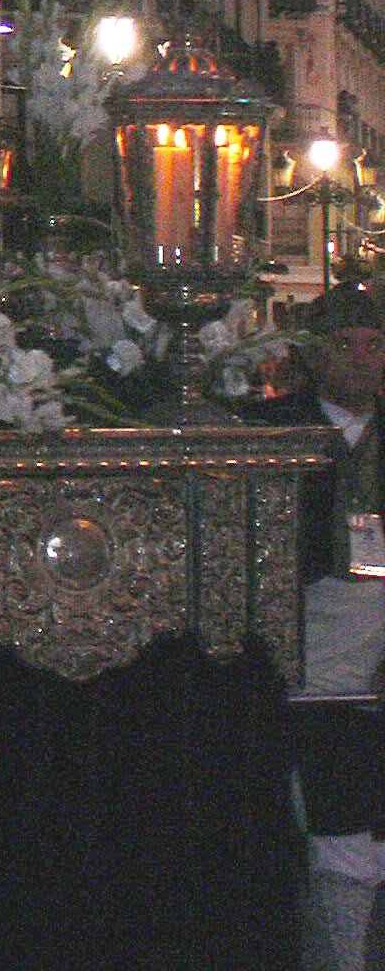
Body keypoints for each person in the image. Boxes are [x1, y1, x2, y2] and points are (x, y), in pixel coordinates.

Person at [284, 280, 385, 970]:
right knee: (334, 838)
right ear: (313, 357)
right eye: (343, 345)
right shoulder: (274, 433)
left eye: (374, 345)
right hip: (305, 663)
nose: (360, 359)